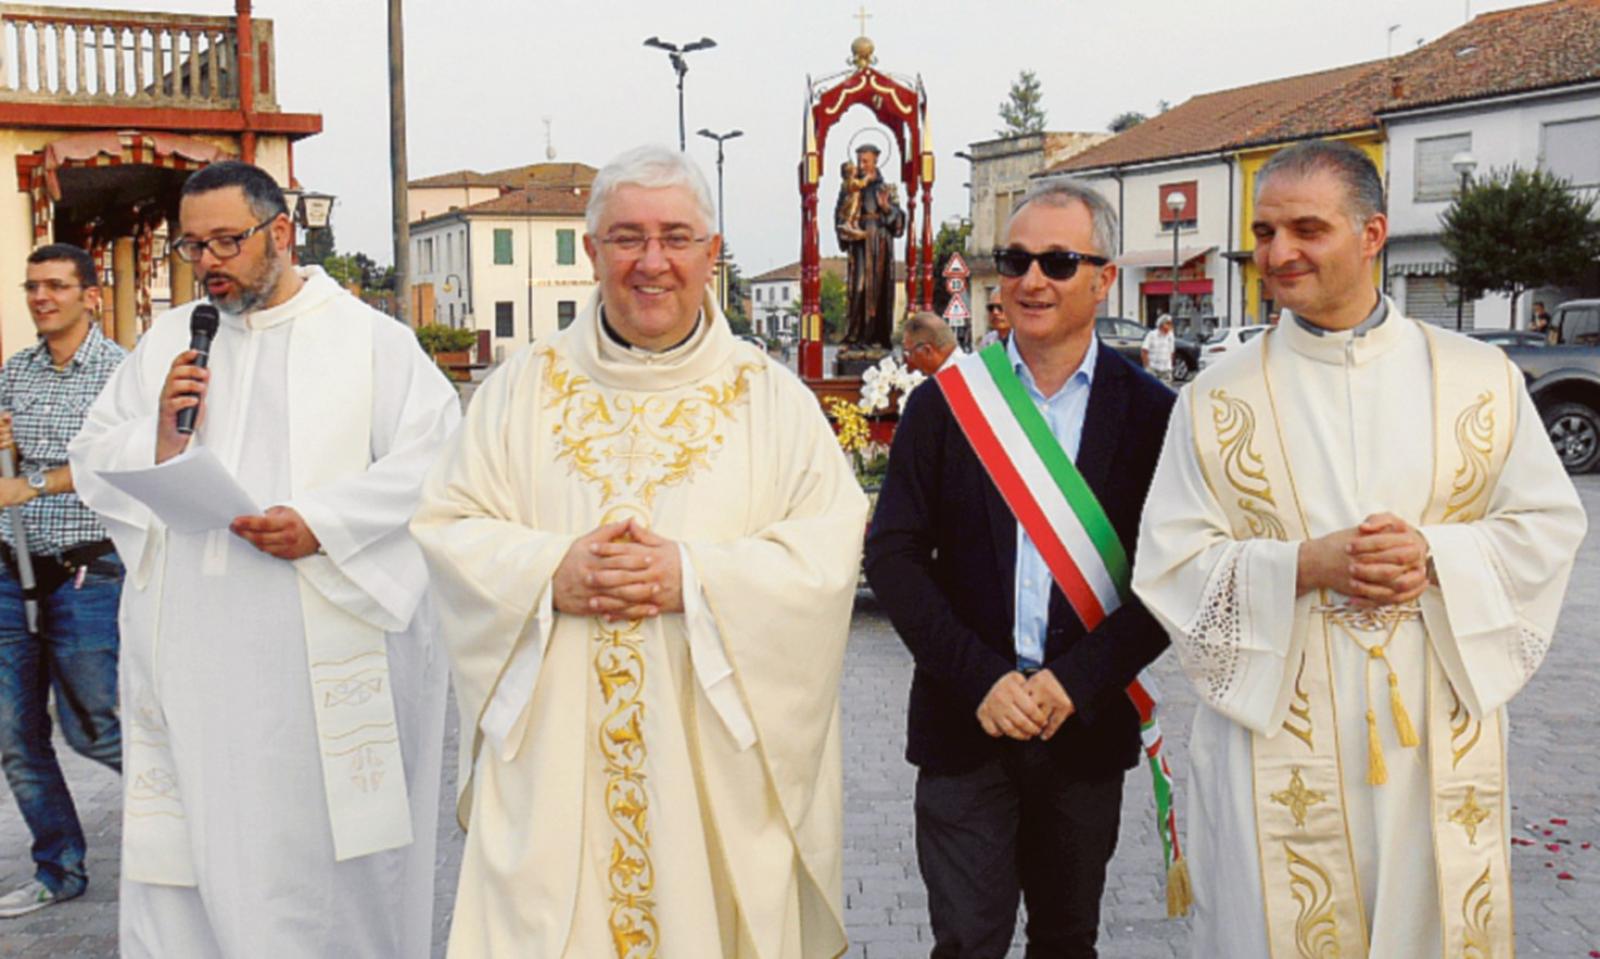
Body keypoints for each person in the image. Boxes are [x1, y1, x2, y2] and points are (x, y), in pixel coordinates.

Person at [411, 145, 868, 959]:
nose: (652, 262)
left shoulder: (772, 401)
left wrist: (693, 576)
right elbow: (450, 524)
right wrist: (550, 571)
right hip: (556, 775)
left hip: (713, 781)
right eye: (627, 237)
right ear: (592, 252)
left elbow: (827, 550)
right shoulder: (520, 390)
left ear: (711, 253)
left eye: (676, 237)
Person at [1133, 140, 1586, 958]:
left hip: (1433, 722)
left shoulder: (1479, 379)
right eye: (1265, 232)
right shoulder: (1214, 399)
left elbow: (1548, 524)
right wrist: (1304, 565)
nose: (1279, 252)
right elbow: (1169, 561)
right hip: (1274, 727)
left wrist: (1435, 554)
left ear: (1373, 234)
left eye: (1307, 229)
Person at [68, 161, 461, 957]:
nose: (208, 262)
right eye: (192, 246)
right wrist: (158, 435)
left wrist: (324, 523)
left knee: (314, 875)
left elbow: (439, 460)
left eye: (227, 241)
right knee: (194, 868)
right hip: (194, 664)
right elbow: (93, 454)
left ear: (281, 232)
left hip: (313, 668)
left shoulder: (369, 342)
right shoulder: (170, 342)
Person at [865, 179, 1176, 958]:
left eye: (1058, 262)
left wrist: (1076, 681)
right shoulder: (945, 404)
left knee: (1067, 940)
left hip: (1084, 724)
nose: (1032, 279)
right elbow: (894, 556)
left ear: (1104, 279)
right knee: (967, 941)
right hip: (965, 721)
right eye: (1015, 260)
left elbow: (1175, 575)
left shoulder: (1153, 414)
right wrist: (982, 678)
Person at [0, 244, 126, 918]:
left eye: (55, 285)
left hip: (88, 572)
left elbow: (121, 463)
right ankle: (59, 869)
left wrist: (34, 482)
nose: (41, 297)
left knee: (95, 728)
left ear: (90, 295)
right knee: (14, 734)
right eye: (32, 286)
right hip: (12, 567)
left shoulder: (120, 374)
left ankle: (199, 827)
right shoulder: (15, 372)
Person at [837, 143, 907, 347]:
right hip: (859, 244)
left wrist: (886, 208)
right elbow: (840, 212)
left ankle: (877, 337)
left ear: (876, 160)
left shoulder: (886, 188)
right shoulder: (851, 187)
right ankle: (855, 335)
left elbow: (899, 221)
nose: (861, 165)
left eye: (865, 161)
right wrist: (846, 229)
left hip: (880, 243)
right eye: (859, 161)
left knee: (879, 290)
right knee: (858, 287)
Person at [902, 310, 962, 376]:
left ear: (927, 351)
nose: (910, 361)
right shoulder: (968, 366)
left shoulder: (950, 378)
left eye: (910, 353)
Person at [1141, 313, 1177, 386]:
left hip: (1166, 369)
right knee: (1152, 389)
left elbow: (1172, 352)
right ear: (1161, 325)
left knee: (1166, 389)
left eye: (1171, 324)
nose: (1170, 326)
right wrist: (1147, 368)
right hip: (1153, 368)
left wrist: (1170, 366)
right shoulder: (1152, 335)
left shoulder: (1171, 335)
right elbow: (1144, 351)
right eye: (1168, 324)